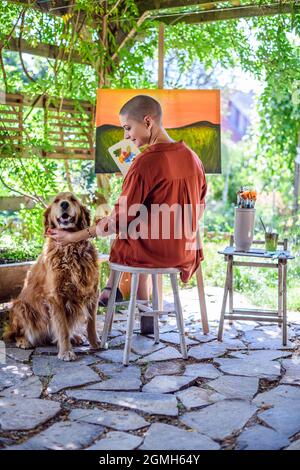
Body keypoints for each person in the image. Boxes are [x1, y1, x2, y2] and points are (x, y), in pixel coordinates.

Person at [49, 94, 207, 333]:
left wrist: (74, 236)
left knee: (124, 233)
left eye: (127, 128)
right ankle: (145, 321)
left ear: (147, 121)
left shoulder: (145, 162)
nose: (126, 136)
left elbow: (120, 220)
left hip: (154, 255)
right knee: (136, 228)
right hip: (186, 250)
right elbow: (199, 204)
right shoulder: (193, 158)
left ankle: (113, 289)